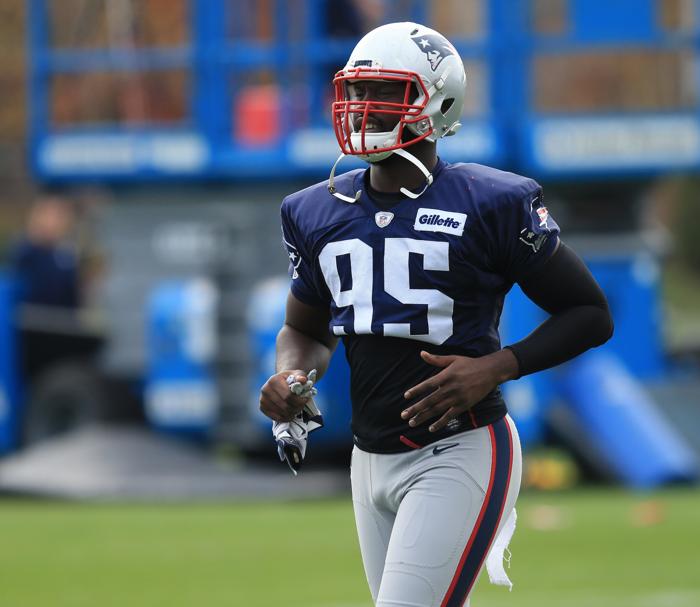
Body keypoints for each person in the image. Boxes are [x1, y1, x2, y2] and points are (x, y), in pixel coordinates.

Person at [259, 22, 613, 607]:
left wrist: (497, 366)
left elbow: (589, 312)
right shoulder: (316, 211)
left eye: (386, 93)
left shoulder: (490, 202)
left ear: (437, 103)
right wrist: (293, 377)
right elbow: (304, 327)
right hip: (367, 458)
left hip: (460, 447)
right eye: (355, 91)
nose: (362, 108)